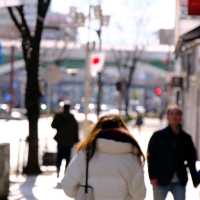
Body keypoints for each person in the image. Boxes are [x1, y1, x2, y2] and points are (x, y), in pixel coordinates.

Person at [61, 114, 146, 200]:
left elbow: (68, 187)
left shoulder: (85, 155)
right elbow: (139, 195)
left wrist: (83, 192)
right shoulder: (132, 159)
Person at [147, 104, 200, 200]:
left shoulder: (186, 138)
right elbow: (151, 157)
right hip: (161, 179)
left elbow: (191, 160)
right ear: (167, 117)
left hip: (179, 180)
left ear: (181, 117)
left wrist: (195, 178)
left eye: (177, 114)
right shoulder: (158, 136)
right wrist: (152, 177)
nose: (174, 117)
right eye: (171, 114)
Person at [51, 103, 79, 178]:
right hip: (69, 141)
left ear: (63, 108)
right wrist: (76, 140)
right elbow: (75, 129)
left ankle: (58, 170)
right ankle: (66, 172)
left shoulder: (58, 116)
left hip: (60, 140)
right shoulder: (72, 117)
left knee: (59, 156)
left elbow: (53, 125)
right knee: (67, 157)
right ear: (69, 109)